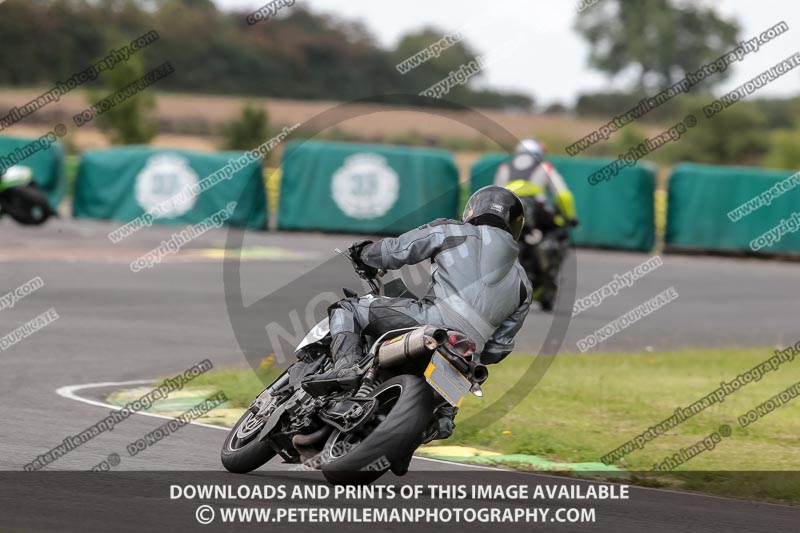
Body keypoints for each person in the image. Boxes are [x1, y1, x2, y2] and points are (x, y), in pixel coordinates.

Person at [303, 186, 532, 439]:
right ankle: (432, 423)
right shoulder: (524, 282)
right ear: (515, 226)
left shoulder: (452, 230)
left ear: (472, 210)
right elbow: (498, 350)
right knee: (444, 419)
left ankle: (346, 369)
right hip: (468, 356)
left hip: (429, 322)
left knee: (348, 308)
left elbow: (394, 251)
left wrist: (365, 254)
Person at [494, 139, 578, 310]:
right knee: (559, 233)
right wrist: (570, 217)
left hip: (508, 211)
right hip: (537, 212)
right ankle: (547, 282)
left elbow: (495, 193)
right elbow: (563, 195)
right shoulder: (545, 167)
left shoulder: (504, 168)